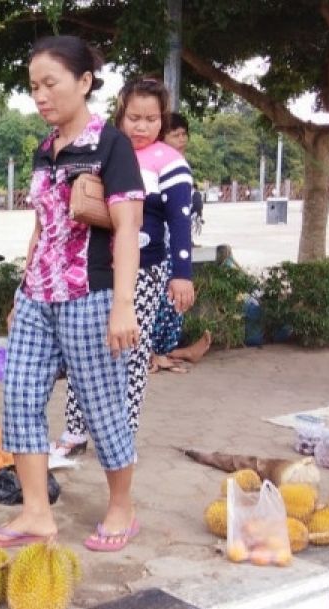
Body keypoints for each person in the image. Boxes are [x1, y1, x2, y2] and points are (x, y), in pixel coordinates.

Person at [0, 36, 145, 552]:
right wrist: (21, 289)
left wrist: (123, 304)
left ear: (85, 82)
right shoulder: (44, 149)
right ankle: (35, 513)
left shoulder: (110, 145)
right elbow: (42, 224)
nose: (41, 96)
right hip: (37, 297)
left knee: (102, 405)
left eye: (51, 83)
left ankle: (121, 507)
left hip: (89, 296)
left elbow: (128, 225)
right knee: (21, 397)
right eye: (33, 87)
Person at [51, 77, 194, 464]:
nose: (141, 127)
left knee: (131, 353)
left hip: (144, 272)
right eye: (134, 117)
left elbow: (181, 223)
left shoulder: (170, 162)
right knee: (84, 351)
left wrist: (182, 273)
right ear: (121, 114)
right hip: (95, 269)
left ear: (162, 120)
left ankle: (121, 436)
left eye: (151, 119)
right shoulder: (107, 150)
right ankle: (75, 432)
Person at [153, 111, 212, 367]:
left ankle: (168, 352)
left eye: (184, 134)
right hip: (159, 245)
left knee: (173, 303)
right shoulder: (155, 164)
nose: (182, 139)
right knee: (159, 301)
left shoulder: (181, 164)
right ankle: (155, 354)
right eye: (175, 134)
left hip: (174, 244)